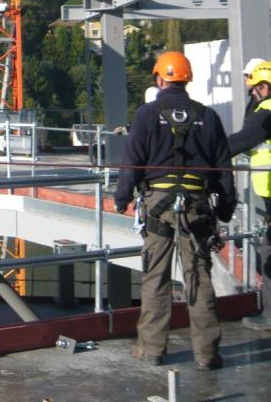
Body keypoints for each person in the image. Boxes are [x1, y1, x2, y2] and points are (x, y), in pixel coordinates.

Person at [115, 51, 235, 370]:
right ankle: (207, 354)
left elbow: (132, 162)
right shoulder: (207, 117)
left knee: (156, 277)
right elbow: (223, 168)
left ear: (159, 79)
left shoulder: (146, 114)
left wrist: (121, 197)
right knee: (198, 277)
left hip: (159, 206)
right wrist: (225, 208)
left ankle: (152, 350)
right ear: (187, 80)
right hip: (197, 208)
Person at [228, 59, 271, 331]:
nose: (252, 93)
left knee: (269, 253)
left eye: (254, 88)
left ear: (265, 86)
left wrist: (205, 152)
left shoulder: (266, 112)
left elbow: (241, 141)